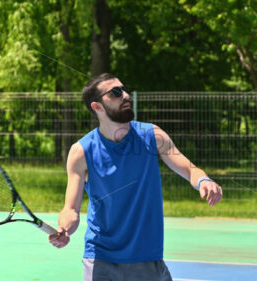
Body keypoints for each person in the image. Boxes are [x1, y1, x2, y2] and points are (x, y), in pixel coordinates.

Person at [48, 73, 223, 281]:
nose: (125, 95)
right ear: (97, 107)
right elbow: (71, 209)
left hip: (146, 257)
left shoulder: (152, 135)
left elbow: (189, 169)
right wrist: (64, 229)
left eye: (124, 89)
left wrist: (204, 180)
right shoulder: (81, 152)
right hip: (101, 258)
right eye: (115, 92)